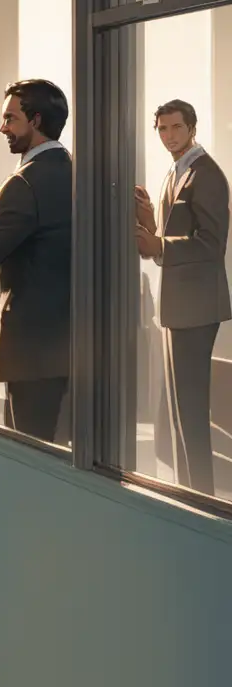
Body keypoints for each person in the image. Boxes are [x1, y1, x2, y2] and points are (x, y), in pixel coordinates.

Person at [0, 79, 73, 444]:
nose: (2, 128)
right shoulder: (79, 175)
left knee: (30, 464)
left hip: (32, 355)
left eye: (10, 119)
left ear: (37, 120)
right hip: (76, 350)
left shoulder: (24, 184)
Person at [135, 98, 230, 496]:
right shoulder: (177, 172)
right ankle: (189, 493)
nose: (169, 136)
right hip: (180, 306)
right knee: (177, 412)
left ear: (192, 128)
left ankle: (202, 498)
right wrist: (149, 222)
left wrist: (158, 244)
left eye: (176, 128)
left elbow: (210, 245)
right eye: (162, 129)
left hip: (196, 307)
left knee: (190, 412)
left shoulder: (205, 174)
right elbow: (174, 234)